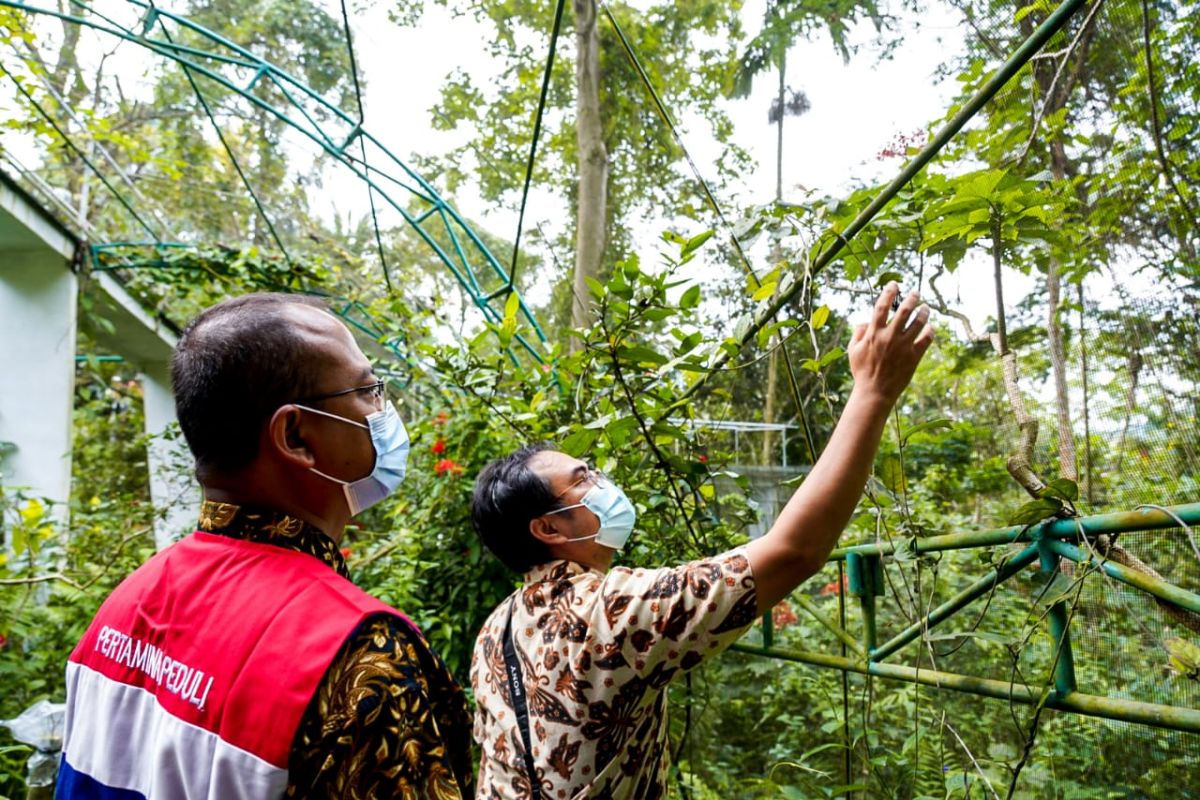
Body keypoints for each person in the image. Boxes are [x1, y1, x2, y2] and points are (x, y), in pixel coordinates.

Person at [468, 284, 933, 799]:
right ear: (548, 528)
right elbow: (793, 551)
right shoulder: (608, 610)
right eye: (581, 479)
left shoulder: (498, 626)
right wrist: (873, 391)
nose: (600, 483)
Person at [57, 293, 473, 799]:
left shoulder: (125, 606)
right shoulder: (360, 659)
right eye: (368, 391)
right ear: (295, 435)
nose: (384, 412)